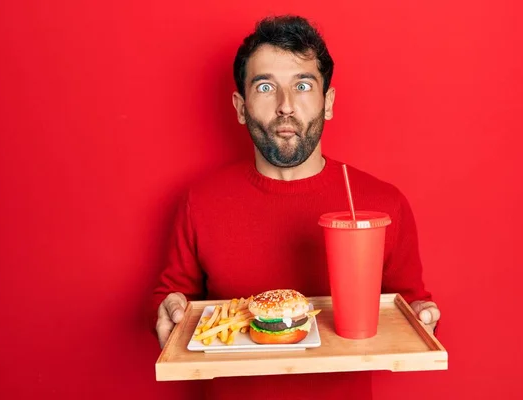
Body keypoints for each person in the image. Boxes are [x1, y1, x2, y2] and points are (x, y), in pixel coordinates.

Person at [151, 15, 440, 399]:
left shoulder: (382, 203)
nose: (286, 106)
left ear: (329, 101)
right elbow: (173, 298)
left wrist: (425, 315)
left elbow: (410, 304)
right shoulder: (200, 201)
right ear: (240, 106)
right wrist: (167, 309)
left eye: (303, 85)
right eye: (266, 86)